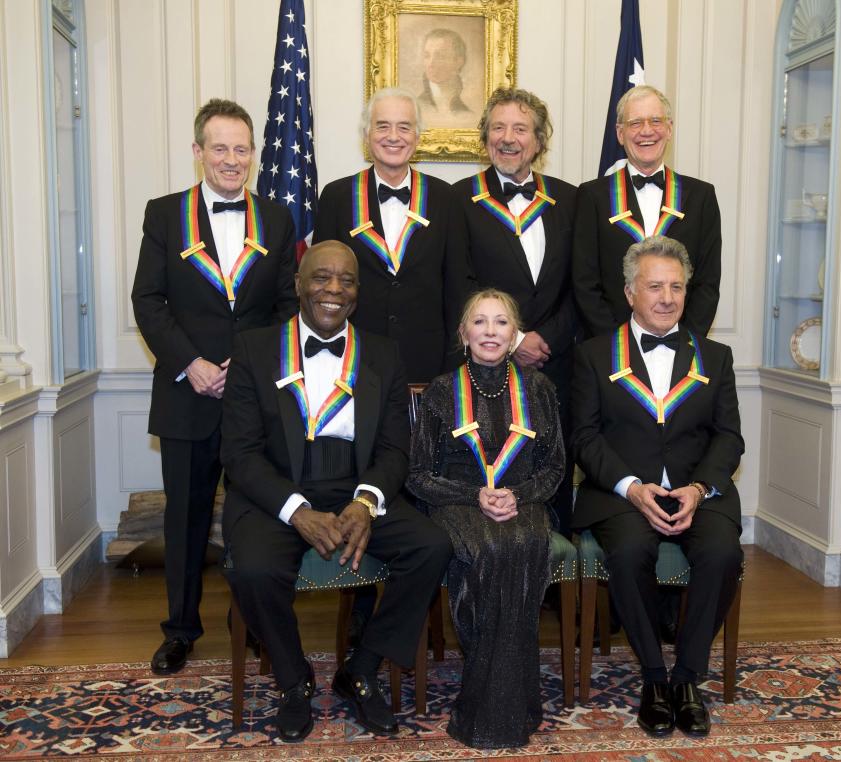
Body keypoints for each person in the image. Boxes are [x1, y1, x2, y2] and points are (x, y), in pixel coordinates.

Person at [220, 241, 452, 742]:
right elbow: (239, 454)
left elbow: (395, 449)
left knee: (431, 547)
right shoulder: (254, 348)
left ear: (358, 292)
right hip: (277, 489)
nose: (334, 289)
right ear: (299, 284)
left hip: (355, 484)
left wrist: (366, 503)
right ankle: (292, 678)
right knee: (255, 567)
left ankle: (362, 668)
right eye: (322, 278)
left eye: (346, 281)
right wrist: (297, 511)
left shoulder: (384, 353)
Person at [131, 98, 297, 677]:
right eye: (220, 148)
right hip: (186, 395)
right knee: (187, 519)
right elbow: (147, 302)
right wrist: (191, 364)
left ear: (254, 154)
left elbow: (285, 307)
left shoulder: (277, 218)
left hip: (254, 400)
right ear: (198, 151)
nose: (232, 159)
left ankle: (254, 629)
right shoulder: (163, 213)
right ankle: (180, 630)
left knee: (257, 521)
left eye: (241, 149)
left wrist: (246, 368)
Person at [571, 236, 744, 738]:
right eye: (654, 286)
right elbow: (584, 436)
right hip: (621, 491)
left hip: (698, 491)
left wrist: (698, 489)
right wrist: (629, 487)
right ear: (629, 292)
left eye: (676, 287)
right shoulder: (592, 355)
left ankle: (687, 679)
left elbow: (729, 436)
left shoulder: (716, 355)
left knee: (721, 554)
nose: (666, 297)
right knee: (628, 554)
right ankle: (652, 677)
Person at [406, 289, 565, 749]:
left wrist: (515, 494)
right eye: (480, 322)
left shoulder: (540, 388)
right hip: (456, 501)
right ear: (463, 333)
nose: (490, 332)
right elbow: (419, 475)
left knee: (520, 546)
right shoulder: (440, 390)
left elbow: (554, 468)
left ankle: (504, 699)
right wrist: (476, 495)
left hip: (525, 500)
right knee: (491, 549)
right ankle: (499, 698)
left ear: (515, 335)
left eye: (501, 323)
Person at [452, 87, 578, 534]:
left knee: (552, 467)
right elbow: (460, 283)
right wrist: (517, 339)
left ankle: (548, 580)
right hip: (486, 373)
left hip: (556, 366)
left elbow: (577, 287)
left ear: (539, 141)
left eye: (521, 128)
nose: (508, 138)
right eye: (499, 127)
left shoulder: (569, 200)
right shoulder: (458, 201)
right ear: (484, 138)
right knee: (491, 470)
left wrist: (547, 341)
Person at [314, 87, 473, 384]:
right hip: (352, 359)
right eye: (382, 125)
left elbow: (457, 286)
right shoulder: (336, 197)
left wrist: (453, 364)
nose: (393, 136)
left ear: (418, 136)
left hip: (427, 361)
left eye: (404, 127)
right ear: (366, 135)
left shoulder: (445, 198)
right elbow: (321, 286)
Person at [573, 84, 722, 338]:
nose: (646, 131)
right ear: (620, 133)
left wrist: (684, 342)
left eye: (656, 121)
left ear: (669, 128)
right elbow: (584, 283)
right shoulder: (592, 196)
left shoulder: (701, 196)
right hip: (610, 350)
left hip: (681, 347)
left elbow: (707, 283)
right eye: (635, 123)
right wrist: (616, 343)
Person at [417, 28, 471, 118]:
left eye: (440, 56)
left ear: (458, 61)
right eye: (427, 56)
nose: (431, 64)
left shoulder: (467, 113)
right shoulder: (415, 107)